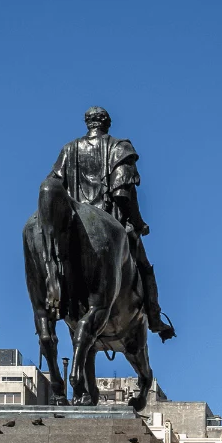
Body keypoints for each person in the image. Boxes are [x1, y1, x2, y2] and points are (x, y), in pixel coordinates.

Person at [44, 106, 176, 341]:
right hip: (111, 222)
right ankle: (154, 318)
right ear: (107, 123)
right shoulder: (119, 148)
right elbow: (122, 194)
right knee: (144, 268)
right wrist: (138, 223)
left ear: (88, 123)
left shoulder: (69, 149)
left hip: (74, 224)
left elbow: (54, 183)